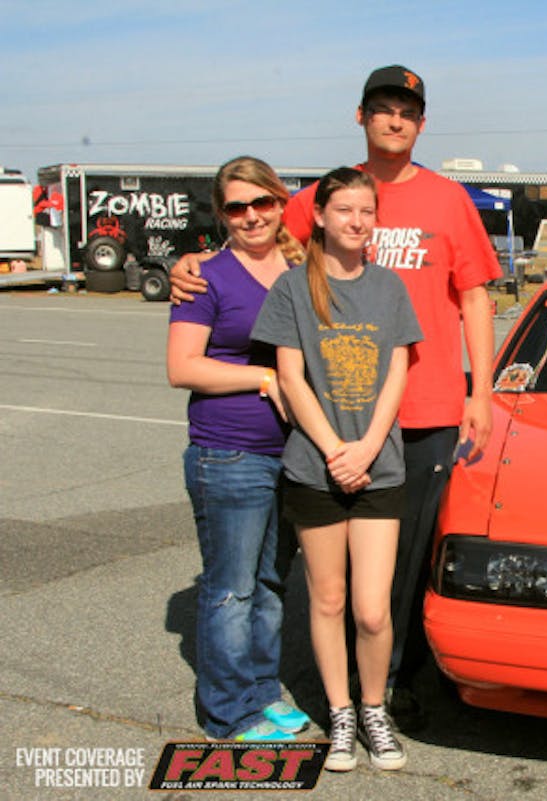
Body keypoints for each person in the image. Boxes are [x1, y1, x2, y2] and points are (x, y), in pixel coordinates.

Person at [171, 64, 501, 728]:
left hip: (424, 409)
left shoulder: (448, 200)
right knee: (300, 570)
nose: (395, 120)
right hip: (329, 414)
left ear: (422, 123)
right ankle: (291, 684)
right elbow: (259, 236)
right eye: (383, 108)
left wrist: (482, 392)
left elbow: (475, 297)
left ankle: (391, 683)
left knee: (399, 567)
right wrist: (194, 262)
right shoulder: (324, 193)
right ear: (361, 117)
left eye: (407, 111)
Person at [252, 167, 423, 772]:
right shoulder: (292, 288)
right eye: (345, 210)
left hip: (379, 468)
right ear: (320, 216)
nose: (357, 221)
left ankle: (374, 708)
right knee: (327, 600)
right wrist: (333, 451)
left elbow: (398, 372)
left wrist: (367, 448)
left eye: (367, 211)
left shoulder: (389, 288)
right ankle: (341, 713)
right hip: (315, 468)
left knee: (371, 609)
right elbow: (290, 377)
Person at [165, 156, 312, 742]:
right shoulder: (206, 276)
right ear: (221, 214)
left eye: (262, 202)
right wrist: (264, 378)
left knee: (272, 584)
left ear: (280, 202)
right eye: (236, 207)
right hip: (229, 453)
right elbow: (182, 367)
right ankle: (229, 713)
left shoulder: (303, 267)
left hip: (293, 453)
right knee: (231, 588)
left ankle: (262, 691)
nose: (251, 216)